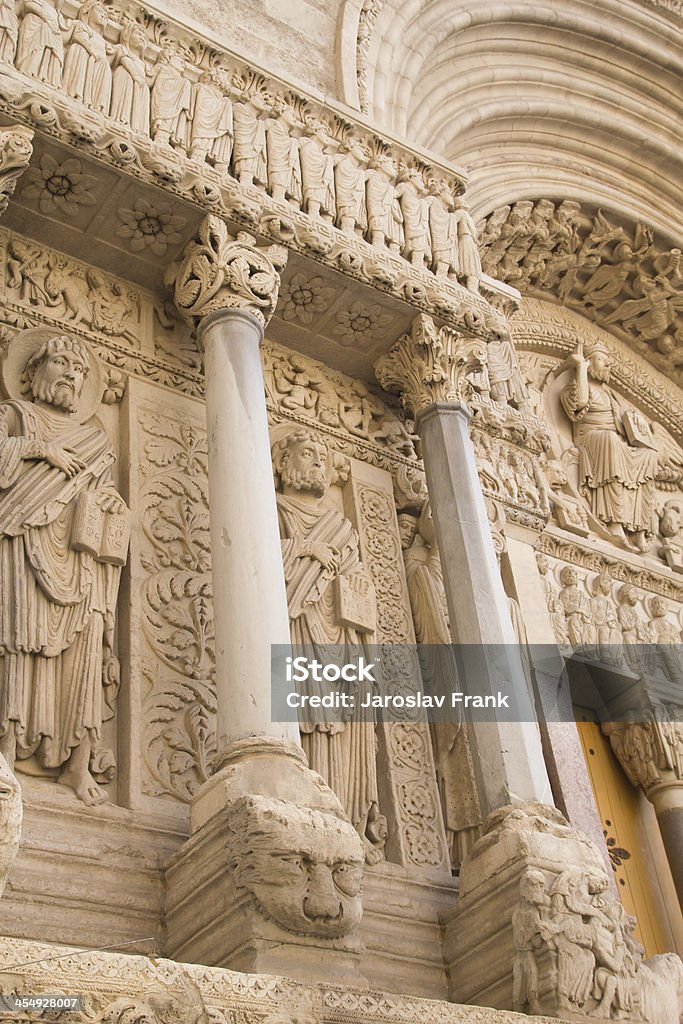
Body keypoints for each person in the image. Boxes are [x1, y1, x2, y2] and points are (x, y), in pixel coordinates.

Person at [0, 331, 129, 805]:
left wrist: (110, 507)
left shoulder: (96, 439)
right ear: (32, 374)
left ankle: (78, 763)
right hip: (22, 540)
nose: (72, 374)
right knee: (19, 641)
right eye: (62, 364)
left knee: (85, 649)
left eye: (79, 369)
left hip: (81, 557)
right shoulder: (14, 416)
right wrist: (39, 449)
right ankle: (8, 752)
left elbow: (105, 494)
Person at [272, 427, 385, 860]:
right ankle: (304, 806)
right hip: (299, 627)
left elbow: (359, 581)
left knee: (347, 725)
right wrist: (307, 550)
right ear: (283, 464)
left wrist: (347, 577)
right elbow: (256, 554)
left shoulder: (342, 525)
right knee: (307, 713)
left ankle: (348, 816)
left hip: (342, 636)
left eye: (322, 456)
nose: (318, 463)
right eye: (306, 454)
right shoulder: (275, 508)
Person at [560, 340, 658, 549]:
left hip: (615, 441)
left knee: (648, 455)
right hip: (592, 439)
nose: (608, 365)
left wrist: (638, 423)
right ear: (589, 363)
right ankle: (614, 523)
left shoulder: (611, 395)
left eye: (608, 362)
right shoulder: (575, 387)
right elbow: (580, 404)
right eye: (602, 360)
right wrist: (580, 368)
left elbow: (624, 426)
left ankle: (638, 529)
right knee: (610, 440)